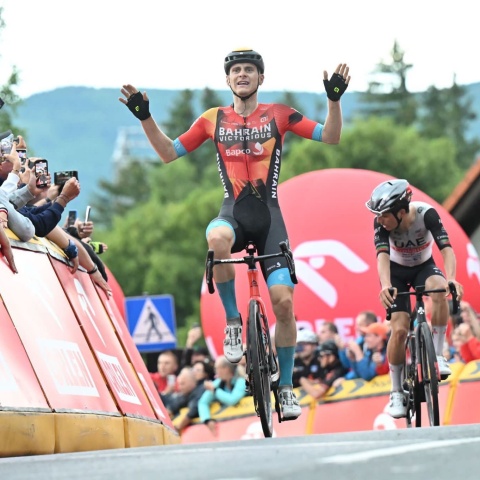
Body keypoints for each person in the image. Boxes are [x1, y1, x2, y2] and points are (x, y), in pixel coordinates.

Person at [120, 48, 350, 420]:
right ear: (227, 80)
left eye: (249, 70)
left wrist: (333, 100)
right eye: (236, 70)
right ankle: (232, 321)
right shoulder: (213, 119)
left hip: (270, 220)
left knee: (284, 305)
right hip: (233, 213)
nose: (242, 75)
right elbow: (167, 153)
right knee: (216, 240)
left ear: (261, 78)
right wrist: (145, 117)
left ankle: (287, 387)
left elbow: (331, 136)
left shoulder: (279, 114)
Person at [365, 178, 464, 418]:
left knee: (440, 289)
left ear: (401, 211)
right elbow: (382, 258)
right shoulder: (381, 224)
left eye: (384, 215)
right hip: (396, 274)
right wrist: (386, 285)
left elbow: (447, 250)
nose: (379, 220)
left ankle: (439, 354)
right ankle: (396, 391)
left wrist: (451, 278)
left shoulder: (426, 214)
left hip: (423, 266)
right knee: (398, 330)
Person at [197, 355, 246, 436]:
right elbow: (202, 402)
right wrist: (207, 419)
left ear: (226, 369)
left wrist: (215, 390)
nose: (215, 371)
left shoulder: (241, 381)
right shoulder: (217, 382)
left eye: (217, 368)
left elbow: (232, 400)